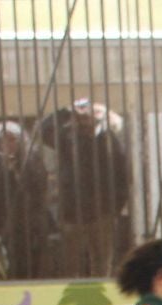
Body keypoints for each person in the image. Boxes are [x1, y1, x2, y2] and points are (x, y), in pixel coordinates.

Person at [46, 99, 132, 277]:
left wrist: (114, 208)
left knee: (101, 261)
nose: (84, 121)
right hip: (71, 211)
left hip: (101, 212)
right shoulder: (67, 139)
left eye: (88, 118)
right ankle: (73, 296)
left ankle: (98, 297)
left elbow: (122, 175)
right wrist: (67, 110)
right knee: (70, 262)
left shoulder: (109, 141)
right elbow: (43, 130)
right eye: (80, 118)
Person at [0, 122, 52, 280]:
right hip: (7, 223)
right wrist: (6, 172)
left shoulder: (31, 158)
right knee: (13, 265)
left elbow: (40, 186)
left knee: (35, 264)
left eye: (12, 140)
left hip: (32, 221)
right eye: (4, 141)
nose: (8, 144)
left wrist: (18, 171)